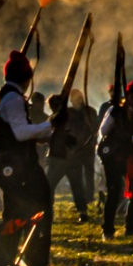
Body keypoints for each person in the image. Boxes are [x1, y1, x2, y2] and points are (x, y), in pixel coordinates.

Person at [0, 50, 59, 266]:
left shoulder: (6, 96)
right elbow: (20, 134)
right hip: (22, 171)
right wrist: (50, 123)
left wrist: (48, 135)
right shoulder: (13, 99)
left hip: (15, 169)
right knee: (36, 217)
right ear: (26, 78)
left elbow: (21, 133)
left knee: (16, 218)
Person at [97, 79, 133, 239]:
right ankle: (107, 229)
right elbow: (103, 130)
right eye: (132, 95)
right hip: (114, 157)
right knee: (114, 192)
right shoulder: (115, 111)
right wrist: (117, 136)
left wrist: (129, 138)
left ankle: (131, 227)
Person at [46, 92, 90, 223]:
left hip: (71, 157)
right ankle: (48, 211)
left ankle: (83, 211)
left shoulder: (72, 116)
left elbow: (83, 132)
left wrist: (77, 146)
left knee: (77, 185)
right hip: (57, 157)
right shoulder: (53, 119)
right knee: (50, 186)